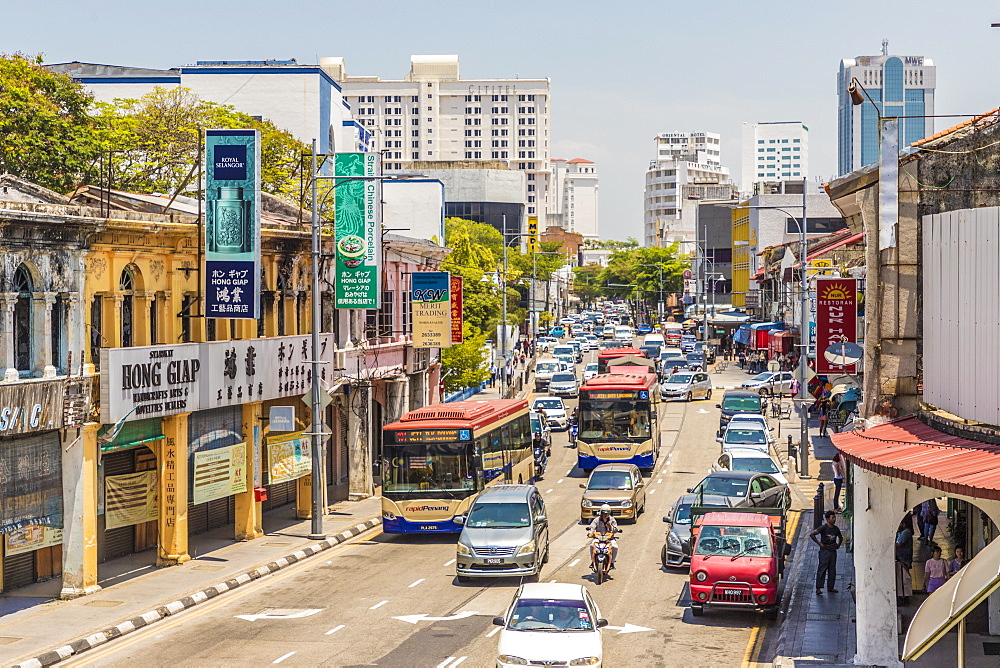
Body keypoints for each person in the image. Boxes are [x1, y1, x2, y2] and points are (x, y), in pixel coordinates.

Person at [809, 510, 843, 594]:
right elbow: (812, 534)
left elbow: (840, 537)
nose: (834, 519)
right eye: (832, 518)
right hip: (825, 551)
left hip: (833, 551)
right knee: (822, 569)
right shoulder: (823, 528)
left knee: (832, 569)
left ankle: (830, 586)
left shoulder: (836, 529)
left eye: (834, 517)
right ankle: (818, 588)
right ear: (828, 519)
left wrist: (838, 544)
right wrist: (820, 544)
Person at [587, 504, 619, 570]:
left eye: (607, 513)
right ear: (601, 512)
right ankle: (593, 562)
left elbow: (616, 529)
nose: (605, 515)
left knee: (615, 547)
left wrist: (611, 527)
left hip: (609, 539)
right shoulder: (596, 520)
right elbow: (592, 528)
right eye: (604, 513)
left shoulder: (612, 520)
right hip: (598, 538)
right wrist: (590, 533)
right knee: (591, 546)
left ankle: (612, 562)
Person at [895, 514, 914, 605]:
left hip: (904, 558)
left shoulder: (906, 532)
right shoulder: (900, 532)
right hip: (901, 558)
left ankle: (905, 596)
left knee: (904, 578)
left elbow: (899, 544)